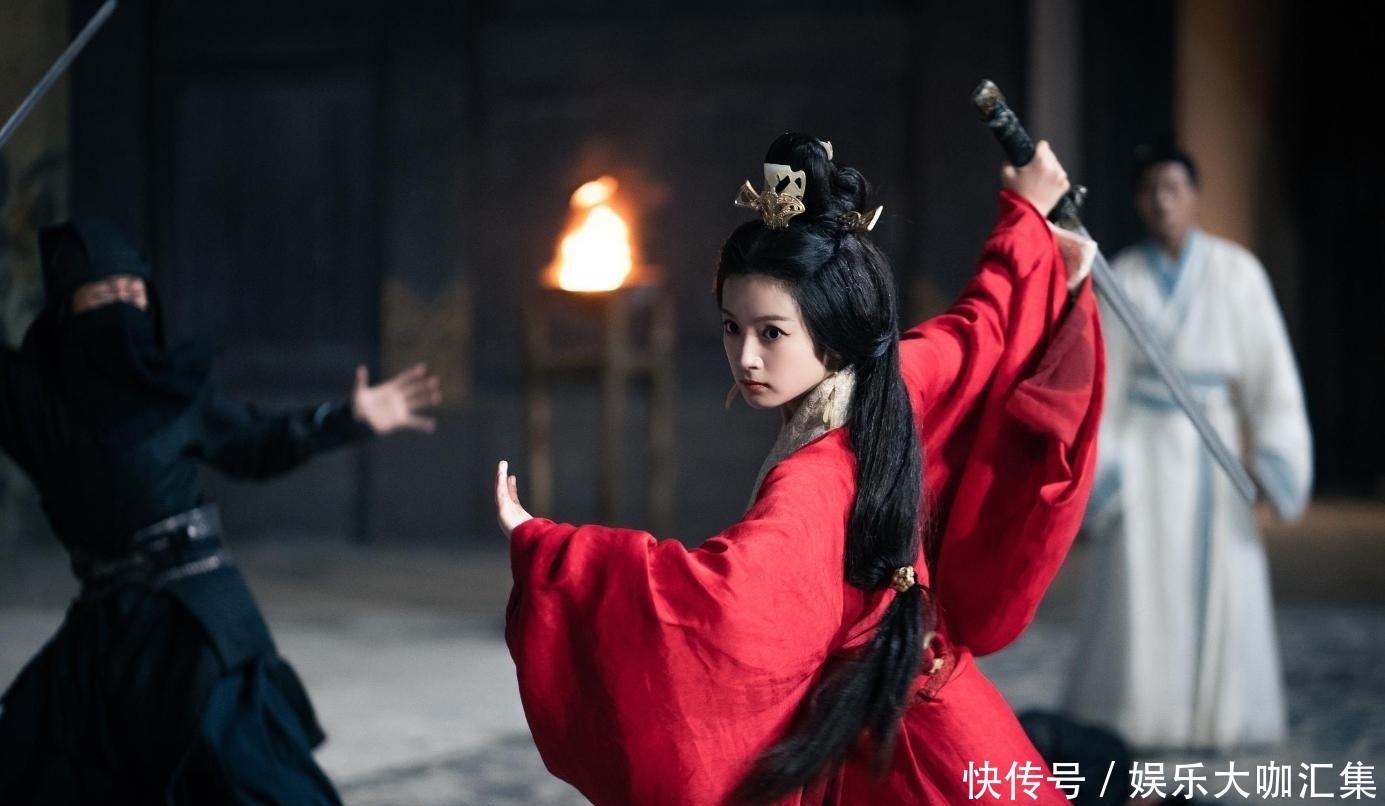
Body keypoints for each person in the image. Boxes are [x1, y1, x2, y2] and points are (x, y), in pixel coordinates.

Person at [496, 132, 1105, 803]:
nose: (746, 357)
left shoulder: (814, 479)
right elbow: (981, 324)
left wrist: (551, 551)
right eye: (731, 327)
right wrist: (1027, 217)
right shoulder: (898, 378)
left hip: (893, 751)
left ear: (834, 328)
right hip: (937, 713)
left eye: (772, 332)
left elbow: (715, 607)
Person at [0, 218, 443, 804]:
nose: (124, 303)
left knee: (250, 777)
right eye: (104, 293)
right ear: (68, 310)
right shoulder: (34, 403)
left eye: (135, 292)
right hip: (106, 629)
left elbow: (258, 442)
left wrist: (346, 419)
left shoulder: (173, 391)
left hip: (195, 622)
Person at [1063, 142, 1313, 751]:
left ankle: (1222, 717)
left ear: (1195, 197)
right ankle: (1141, 715)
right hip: (1144, 453)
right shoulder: (1124, 277)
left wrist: (1274, 452)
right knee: (1141, 586)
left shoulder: (1237, 274)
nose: (1162, 201)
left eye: (1173, 188)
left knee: (1221, 578)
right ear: (1138, 200)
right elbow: (1104, 383)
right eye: (1150, 190)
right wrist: (1108, 464)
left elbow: (1272, 377)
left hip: (1212, 448)